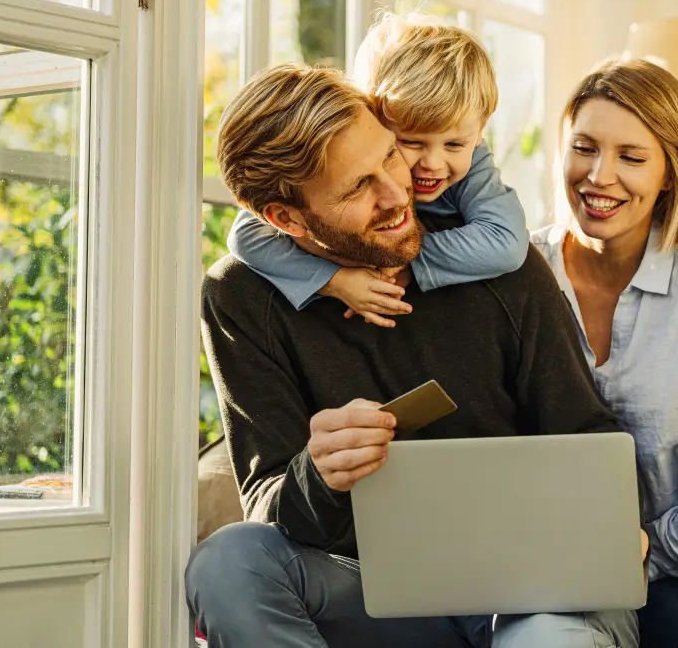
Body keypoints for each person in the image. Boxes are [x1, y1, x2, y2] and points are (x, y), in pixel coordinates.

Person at [186, 63, 644, 648]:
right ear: (285, 219)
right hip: (379, 596)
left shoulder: (492, 261)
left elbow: (586, 434)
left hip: (539, 592)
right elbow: (270, 505)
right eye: (356, 187)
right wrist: (319, 473)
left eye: (389, 156)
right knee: (227, 562)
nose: (397, 193)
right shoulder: (240, 298)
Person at [532, 58, 678, 647]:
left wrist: (647, 552)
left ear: (672, 171)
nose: (599, 175)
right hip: (535, 576)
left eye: (631, 157)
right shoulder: (515, 273)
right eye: (584, 148)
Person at [226, 13, 527, 326]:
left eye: (454, 145)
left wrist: (403, 262)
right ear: (372, 116)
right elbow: (248, 233)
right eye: (409, 143)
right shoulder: (236, 293)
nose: (433, 164)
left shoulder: (475, 159)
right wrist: (336, 280)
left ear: (479, 133)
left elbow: (507, 242)